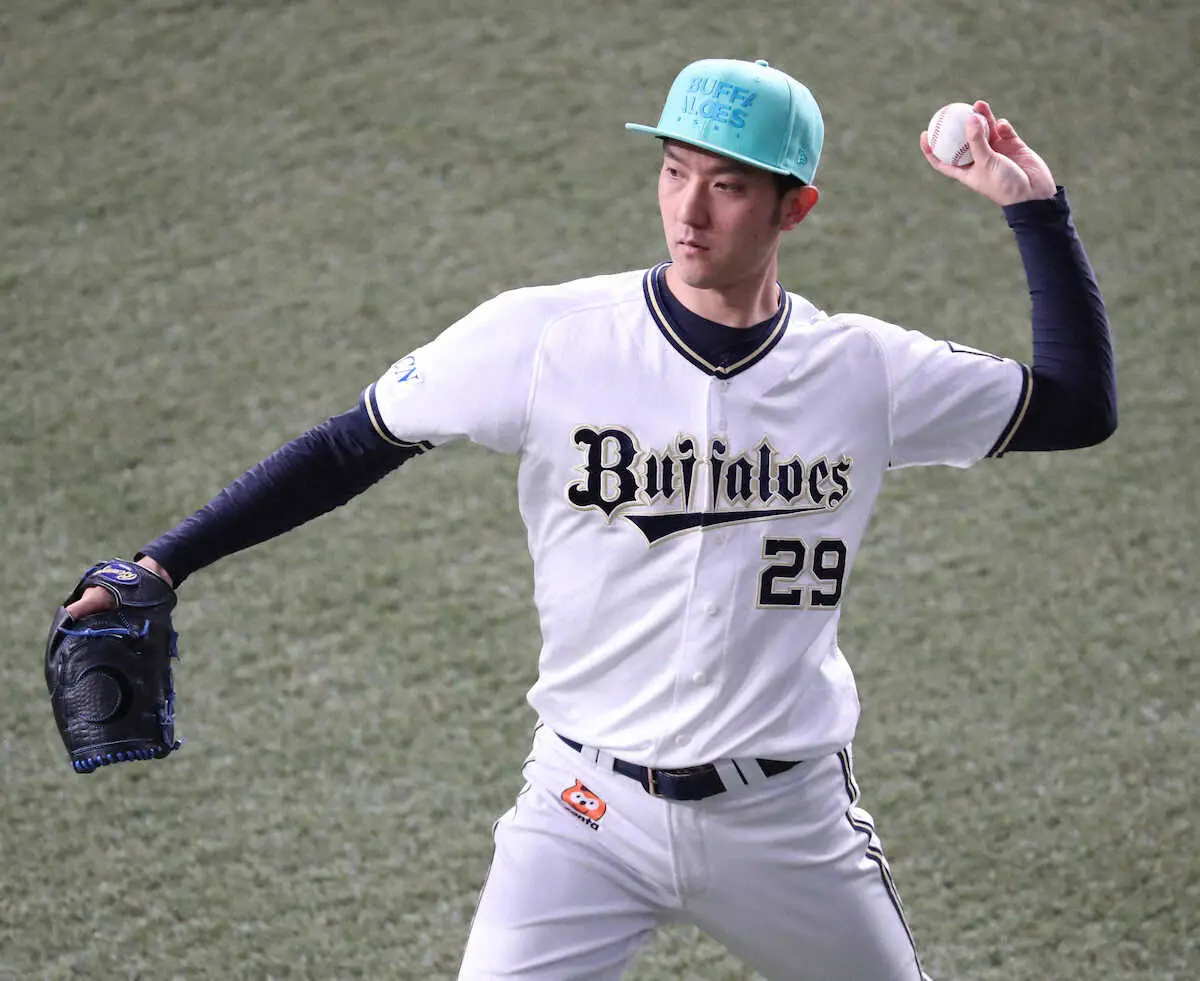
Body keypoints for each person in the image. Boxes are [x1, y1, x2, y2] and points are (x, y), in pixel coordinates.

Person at [65, 57, 1115, 980]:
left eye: (727, 186)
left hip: (787, 823)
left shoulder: (864, 373)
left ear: (793, 208)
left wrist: (1034, 207)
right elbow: (352, 444)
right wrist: (164, 563)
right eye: (674, 172)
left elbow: (1077, 408)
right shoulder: (545, 338)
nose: (689, 211)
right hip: (584, 813)